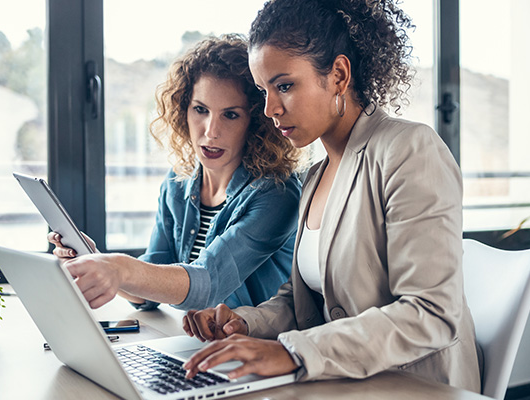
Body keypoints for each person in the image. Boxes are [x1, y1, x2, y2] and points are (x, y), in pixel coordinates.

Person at [182, 0, 481, 393]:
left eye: (285, 86)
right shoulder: (316, 175)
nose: (270, 108)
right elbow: (303, 303)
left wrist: (292, 353)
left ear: (338, 75)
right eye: (263, 90)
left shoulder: (408, 150)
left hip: (415, 386)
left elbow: (431, 314)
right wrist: (246, 323)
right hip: (343, 383)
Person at [48, 34, 302, 312]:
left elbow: (209, 283)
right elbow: (150, 289)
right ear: (184, 111)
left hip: (253, 348)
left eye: (230, 115)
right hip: (192, 342)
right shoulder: (177, 184)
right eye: (201, 110)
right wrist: (96, 262)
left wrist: (118, 268)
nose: (210, 131)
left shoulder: (277, 193)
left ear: (255, 122)